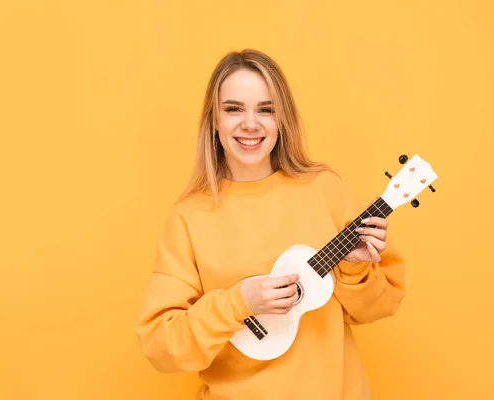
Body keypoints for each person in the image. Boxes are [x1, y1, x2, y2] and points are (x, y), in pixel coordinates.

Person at [135, 49, 406, 399]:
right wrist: (238, 302)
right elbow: (160, 345)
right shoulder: (188, 217)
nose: (251, 123)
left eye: (266, 109)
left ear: (283, 120)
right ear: (214, 121)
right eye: (234, 109)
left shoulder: (326, 189)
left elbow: (381, 307)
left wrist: (354, 272)